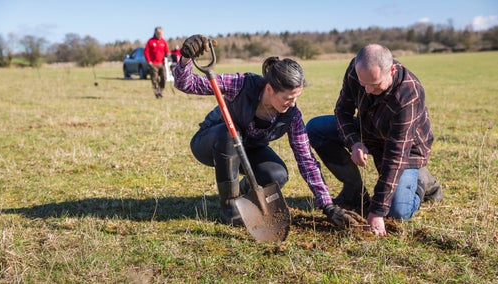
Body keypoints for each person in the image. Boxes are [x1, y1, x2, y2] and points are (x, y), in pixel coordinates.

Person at [173, 34, 365, 227]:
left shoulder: (292, 116)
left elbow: (306, 160)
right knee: (229, 135)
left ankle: (242, 193)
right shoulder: (241, 85)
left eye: (296, 98)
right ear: (269, 89)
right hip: (211, 143)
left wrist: (327, 205)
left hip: (247, 150)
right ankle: (230, 208)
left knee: (276, 175)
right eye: (288, 98)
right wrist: (186, 58)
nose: (292, 104)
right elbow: (186, 83)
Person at [306, 43, 443, 236]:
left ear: (392, 70)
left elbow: (396, 156)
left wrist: (377, 211)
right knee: (316, 128)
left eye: (375, 84)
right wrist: (354, 142)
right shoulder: (357, 70)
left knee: (397, 212)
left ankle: (423, 182)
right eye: (364, 84)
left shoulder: (408, 93)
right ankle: (354, 191)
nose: (368, 90)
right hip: (369, 131)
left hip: (406, 149)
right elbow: (342, 112)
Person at [144, 26, 170, 98]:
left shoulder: (163, 41)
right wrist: (149, 61)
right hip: (153, 64)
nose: (160, 35)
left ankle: (161, 91)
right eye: (158, 33)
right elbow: (146, 52)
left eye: (161, 33)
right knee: (154, 79)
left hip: (162, 63)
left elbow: (167, 51)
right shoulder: (150, 41)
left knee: (164, 78)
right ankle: (157, 93)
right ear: (155, 33)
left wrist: (168, 56)